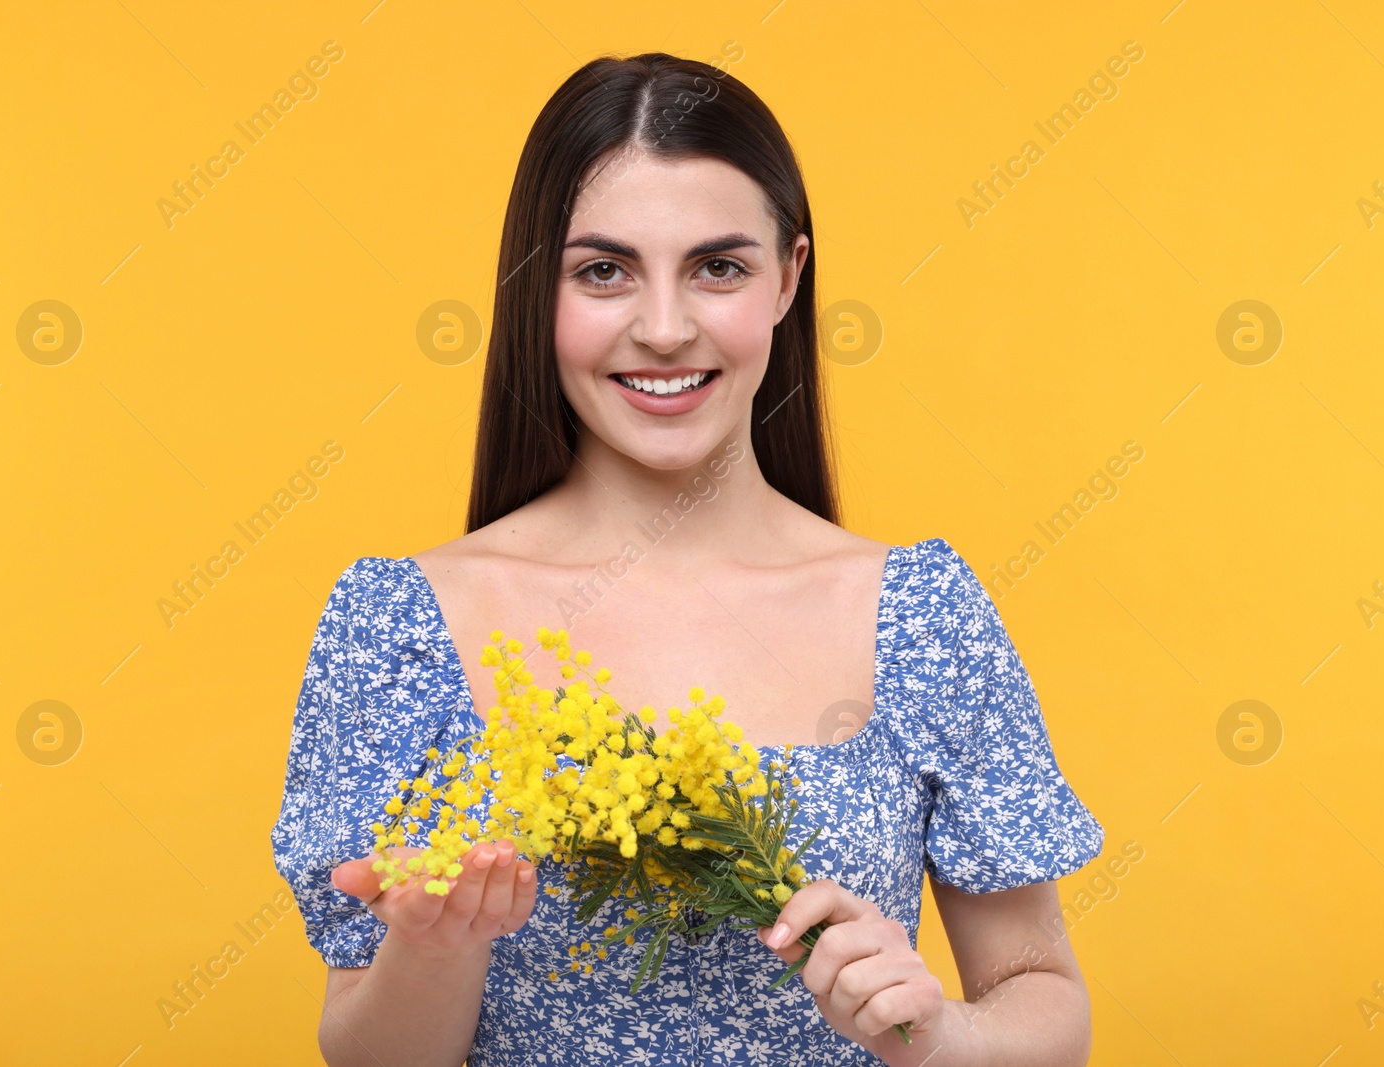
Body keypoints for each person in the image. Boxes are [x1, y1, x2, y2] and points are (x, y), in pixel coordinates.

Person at [271, 51, 1105, 1066]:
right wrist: (436, 943)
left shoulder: (920, 612)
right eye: (602, 270)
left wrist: (938, 1033)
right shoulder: (399, 623)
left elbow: (1044, 1002)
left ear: (788, 276)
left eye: (719, 267)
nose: (663, 329)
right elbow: (368, 1054)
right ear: (540, 288)